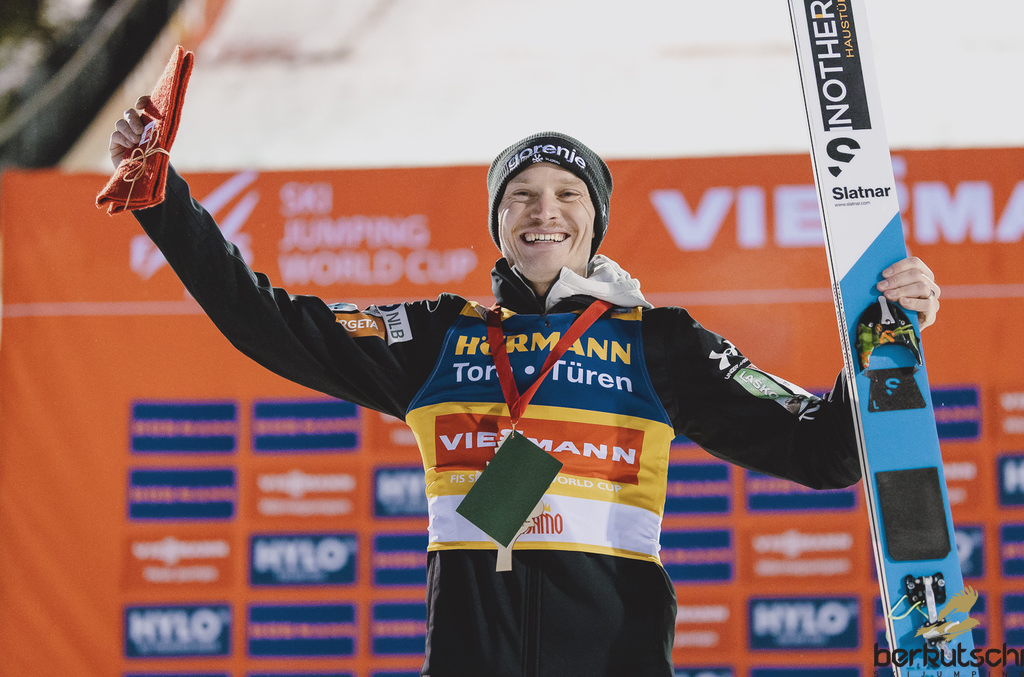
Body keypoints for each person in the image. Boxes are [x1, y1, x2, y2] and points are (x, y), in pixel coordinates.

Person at [110, 98, 941, 677]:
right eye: (521, 196)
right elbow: (266, 322)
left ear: (595, 220)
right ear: (499, 223)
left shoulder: (659, 341)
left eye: (568, 194)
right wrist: (162, 199)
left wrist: (885, 335)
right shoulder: (438, 336)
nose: (545, 210)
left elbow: (826, 451)